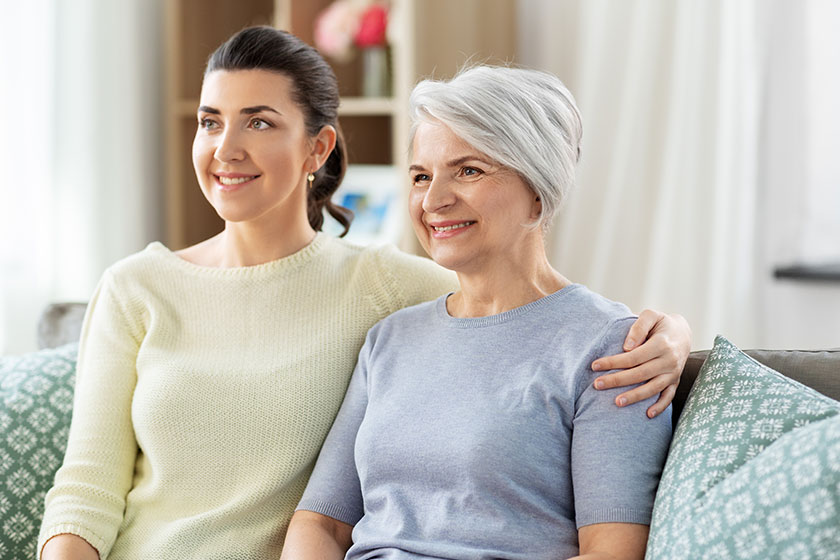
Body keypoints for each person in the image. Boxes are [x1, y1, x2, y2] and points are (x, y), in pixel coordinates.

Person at [38, 28, 689, 560]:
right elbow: (89, 491)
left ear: (317, 147)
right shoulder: (140, 288)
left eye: (258, 122)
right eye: (210, 121)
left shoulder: (383, 290)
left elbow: (523, 315)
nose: (433, 200)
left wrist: (671, 336)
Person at [282, 65, 675, 560]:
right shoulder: (391, 338)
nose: (434, 200)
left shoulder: (614, 349)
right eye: (422, 176)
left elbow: (612, 553)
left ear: (538, 191)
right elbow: (320, 523)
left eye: (468, 170)